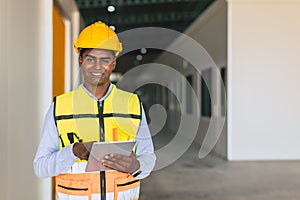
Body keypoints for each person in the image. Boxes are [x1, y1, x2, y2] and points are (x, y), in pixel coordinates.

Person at [33, 21, 156, 200]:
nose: (98, 67)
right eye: (91, 59)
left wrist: (136, 165)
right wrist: (74, 151)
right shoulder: (60, 107)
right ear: (81, 61)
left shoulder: (132, 104)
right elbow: (40, 168)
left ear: (113, 63)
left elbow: (149, 157)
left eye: (105, 60)